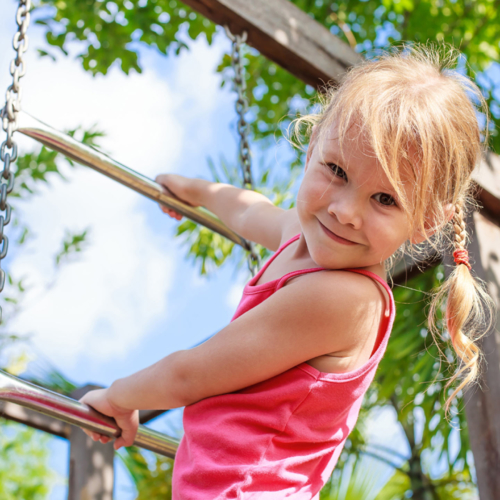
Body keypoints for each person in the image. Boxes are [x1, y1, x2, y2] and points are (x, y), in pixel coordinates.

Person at [80, 44, 493, 499]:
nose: (345, 211)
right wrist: (195, 190)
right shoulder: (300, 232)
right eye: (337, 170)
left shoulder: (345, 299)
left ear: (426, 222)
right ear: (313, 144)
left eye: (385, 199)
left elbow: (189, 375)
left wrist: (118, 398)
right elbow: (248, 210)